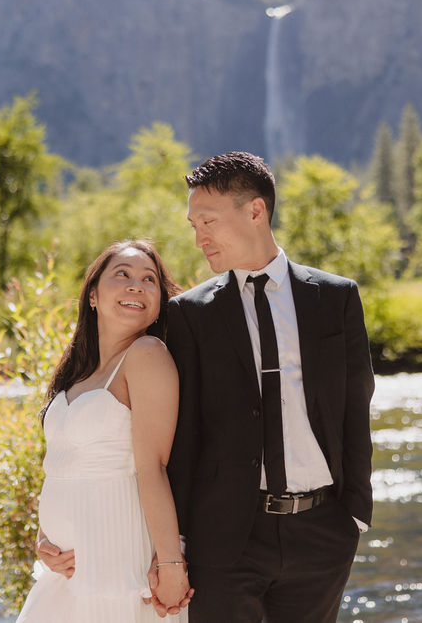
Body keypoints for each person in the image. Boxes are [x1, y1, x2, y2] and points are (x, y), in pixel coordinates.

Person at [155, 152, 375, 622]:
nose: (199, 238)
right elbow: (184, 435)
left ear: (255, 211)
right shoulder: (189, 314)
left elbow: (356, 410)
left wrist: (354, 514)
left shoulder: (335, 298)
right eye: (194, 225)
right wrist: (176, 543)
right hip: (225, 538)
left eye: (208, 221)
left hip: (323, 532)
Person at [17, 240, 193, 622]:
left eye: (149, 279)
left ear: (159, 301)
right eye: (123, 275)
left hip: (117, 559)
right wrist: (44, 539)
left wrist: (170, 565)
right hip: (64, 571)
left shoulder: (147, 354)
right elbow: (62, 466)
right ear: (93, 295)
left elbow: (154, 468)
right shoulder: (78, 372)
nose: (136, 285)